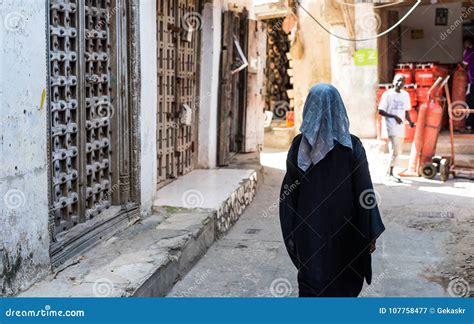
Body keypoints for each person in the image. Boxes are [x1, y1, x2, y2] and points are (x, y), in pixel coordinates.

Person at [279, 84, 385, 297]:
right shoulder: (352, 146)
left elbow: (288, 198)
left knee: (313, 288)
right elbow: (365, 193)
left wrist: (292, 233)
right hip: (348, 233)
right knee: (344, 288)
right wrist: (369, 232)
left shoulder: (298, 147)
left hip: (309, 234)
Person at [378, 75, 414, 182]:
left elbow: (406, 111)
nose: (400, 83)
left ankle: (389, 171)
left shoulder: (405, 95)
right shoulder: (387, 94)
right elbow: (380, 111)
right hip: (390, 126)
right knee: (394, 150)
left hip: (400, 127)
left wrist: (410, 122)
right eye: (398, 80)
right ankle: (390, 173)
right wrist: (394, 116)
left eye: (402, 81)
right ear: (393, 81)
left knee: (398, 151)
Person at [462, 36, 474, 132]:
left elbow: (464, 65)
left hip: (472, 82)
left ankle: (469, 126)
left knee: (470, 103)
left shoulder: (469, 51)